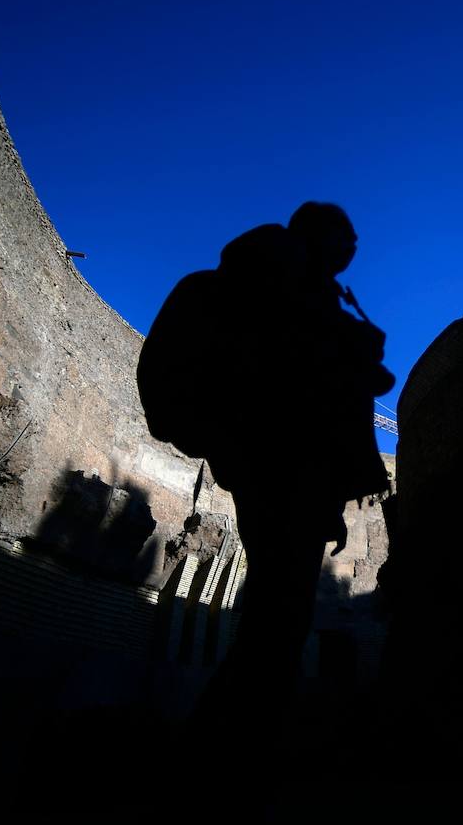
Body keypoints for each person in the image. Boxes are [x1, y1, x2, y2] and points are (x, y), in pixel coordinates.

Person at [147, 202, 393, 739]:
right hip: (284, 469)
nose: (353, 247)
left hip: (281, 473)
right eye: (345, 237)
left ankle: (226, 757)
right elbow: (305, 393)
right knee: (278, 627)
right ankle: (224, 762)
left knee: (275, 621)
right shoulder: (282, 290)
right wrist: (352, 349)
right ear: (319, 236)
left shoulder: (289, 293)